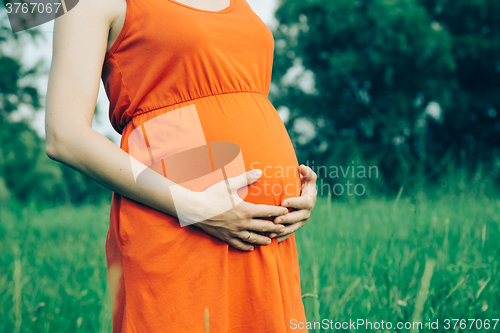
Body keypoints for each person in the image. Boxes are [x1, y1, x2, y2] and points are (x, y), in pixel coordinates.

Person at [45, 0, 317, 331]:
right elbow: (64, 135)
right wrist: (197, 207)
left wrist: (291, 184)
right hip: (177, 219)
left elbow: (243, 99)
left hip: (264, 235)